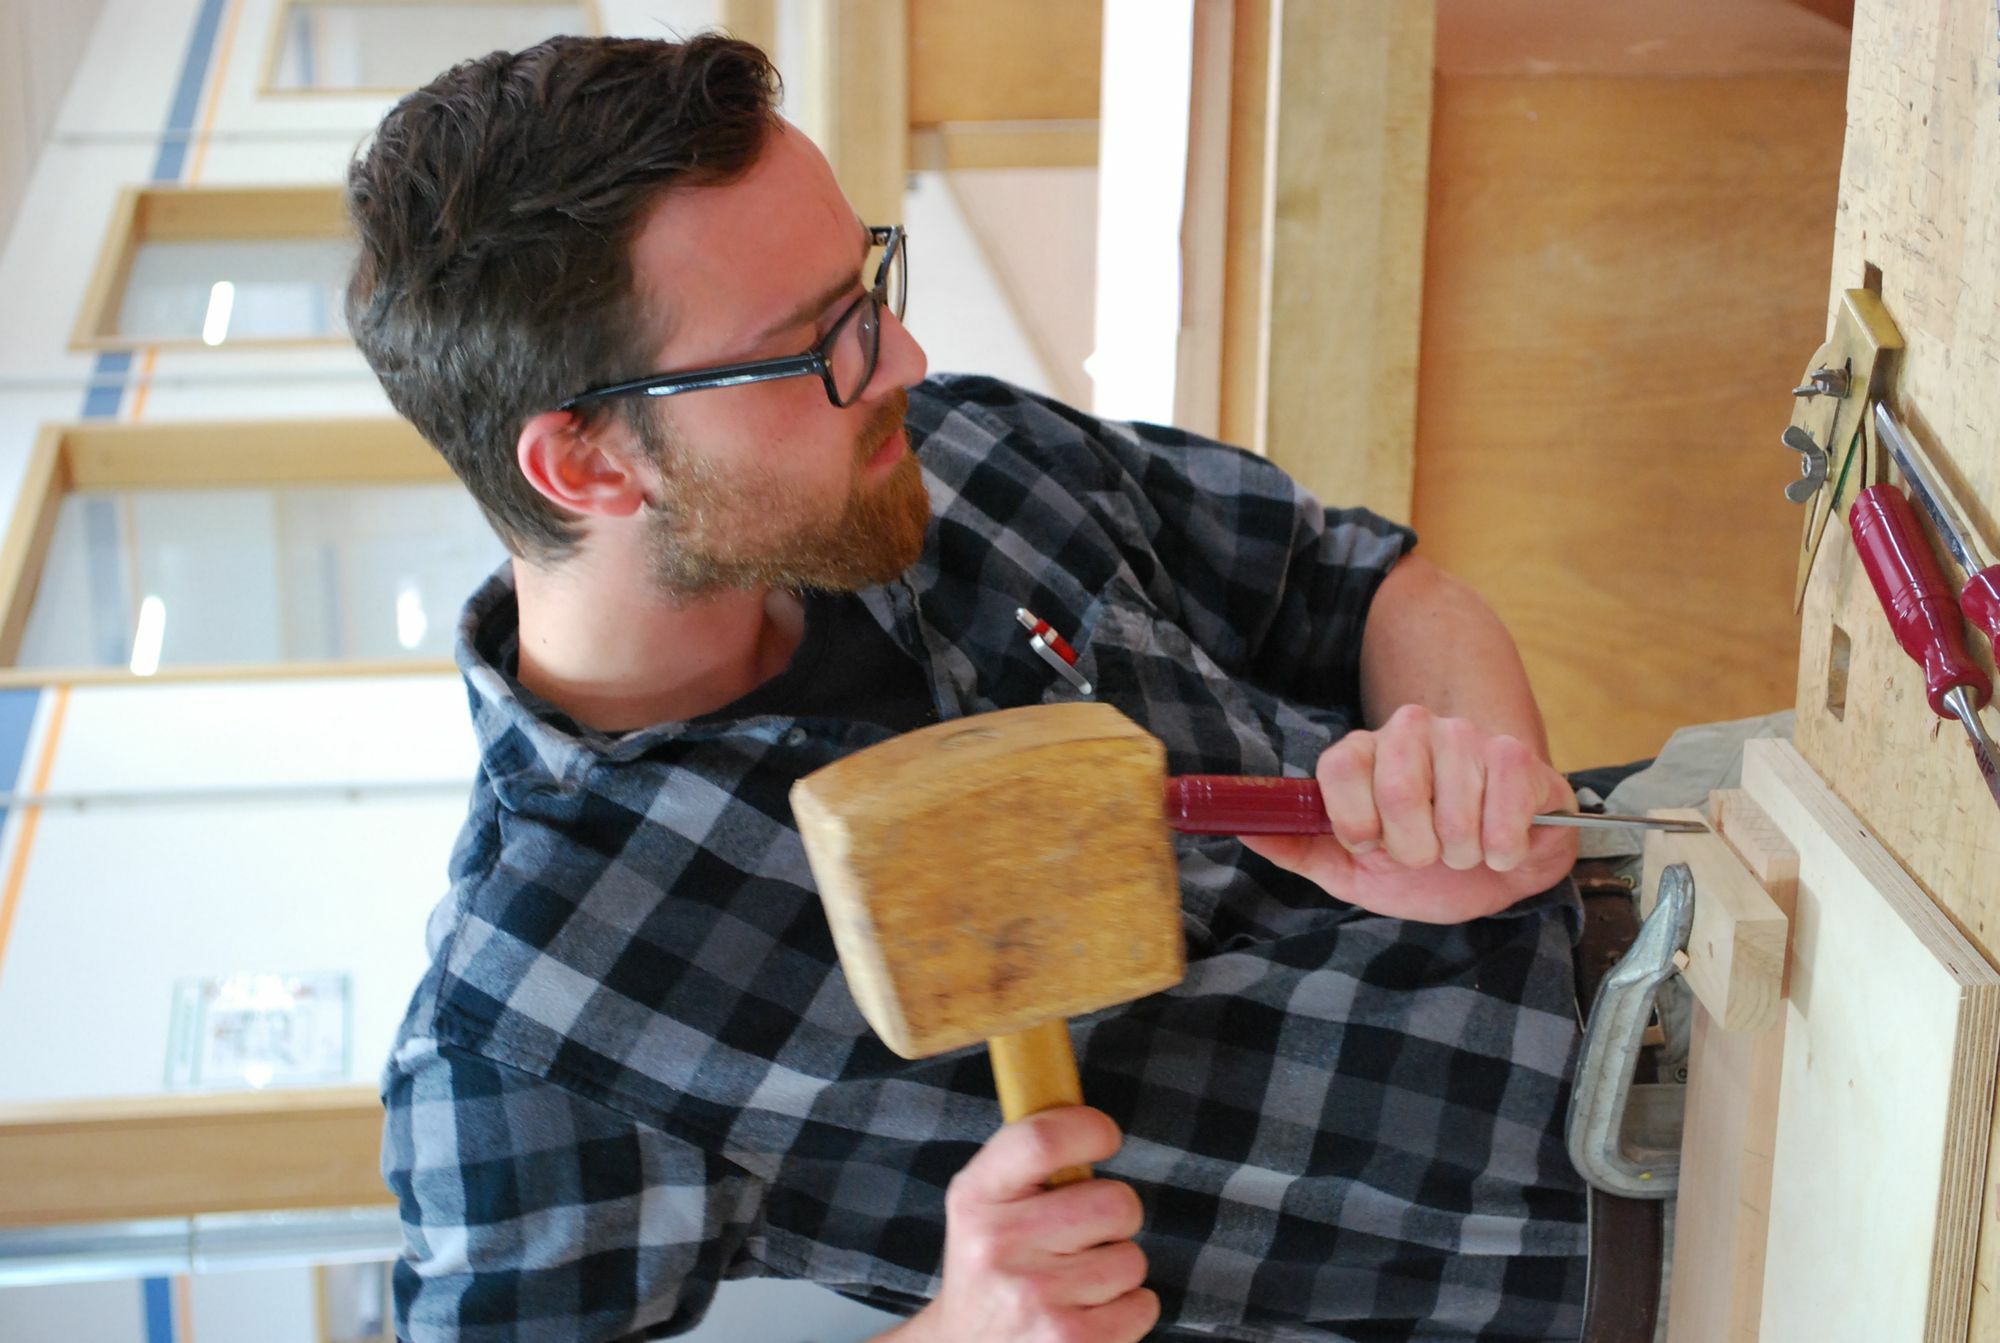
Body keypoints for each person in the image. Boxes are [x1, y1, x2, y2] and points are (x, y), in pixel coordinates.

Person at [348, 33, 1590, 1343]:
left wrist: (1477, 785)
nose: (903, 358)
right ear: (590, 467)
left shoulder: (957, 454)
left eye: (866, 284)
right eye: (812, 345)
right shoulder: (534, 1011)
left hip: (1666, 932)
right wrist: (956, 1335)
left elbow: (1363, 583)